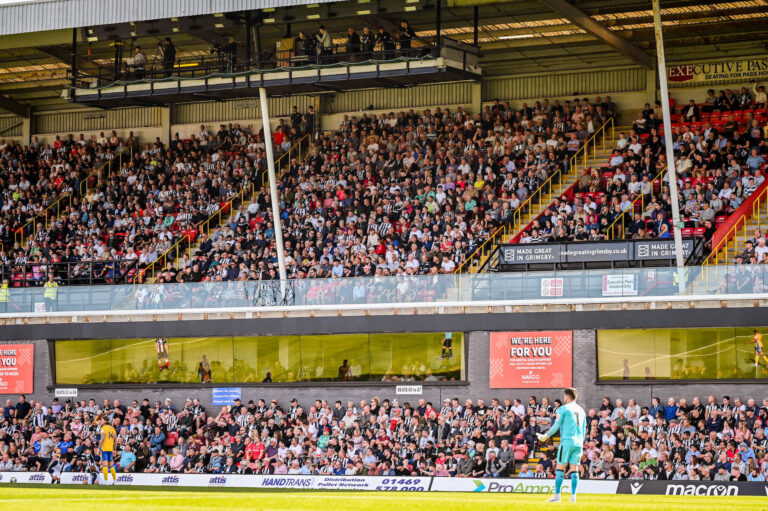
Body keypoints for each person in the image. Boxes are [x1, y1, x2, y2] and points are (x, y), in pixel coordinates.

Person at [537, 387, 586, 503]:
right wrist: (581, 443)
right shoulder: (581, 410)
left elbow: (556, 426)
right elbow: (584, 429)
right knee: (574, 470)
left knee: (560, 468)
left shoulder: (563, 409)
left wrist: (545, 436)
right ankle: (573, 497)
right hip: (578, 443)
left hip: (567, 442)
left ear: (567, 397)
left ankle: (557, 496)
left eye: (564, 396)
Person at [97, 414, 117, 484]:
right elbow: (115, 440)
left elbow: (102, 438)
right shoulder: (112, 428)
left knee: (105, 465)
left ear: (105, 421)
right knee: (111, 465)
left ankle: (105, 481)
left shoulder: (103, 428)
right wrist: (114, 449)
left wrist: (99, 448)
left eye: (102, 420)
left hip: (105, 449)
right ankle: (115, 480)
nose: (101, 421)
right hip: (111, 449)